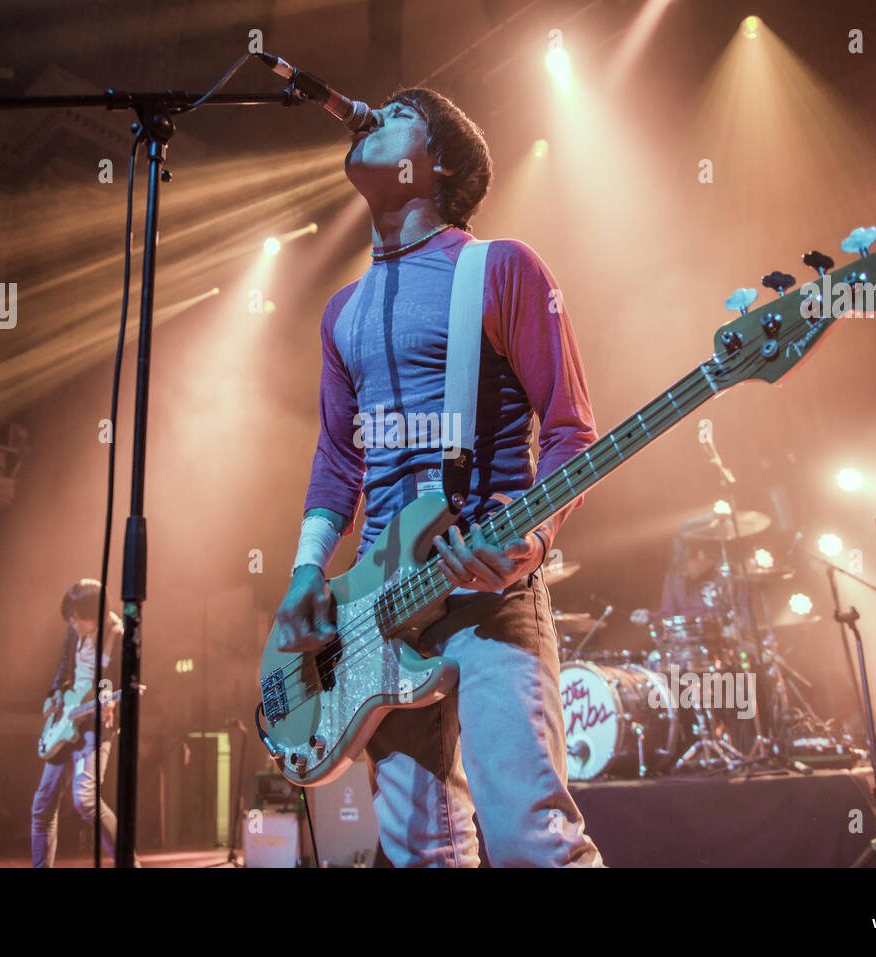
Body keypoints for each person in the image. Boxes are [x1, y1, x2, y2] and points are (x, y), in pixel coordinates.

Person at [273, 88, 602, 867]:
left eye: (393, 114)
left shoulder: (501, 267)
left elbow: (570, 430)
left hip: (489, 595)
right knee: (423, 851)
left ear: (436, 163)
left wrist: (532, 536)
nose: (367, 118)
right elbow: (339, 458)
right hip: (377, 611)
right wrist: (306, 572)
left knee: (532, 839)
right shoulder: (342, 310)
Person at [30, 579, 123, 867]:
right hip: (66, 721)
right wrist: (54, 694)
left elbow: (117, 677)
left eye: (78, 617)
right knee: (43, 805)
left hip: (96, 724)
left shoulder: (119, 635)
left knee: (85, 800)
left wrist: (109, 695)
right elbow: (64, 665)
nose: (73, 623)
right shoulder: (74, 632)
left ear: (96, 613)